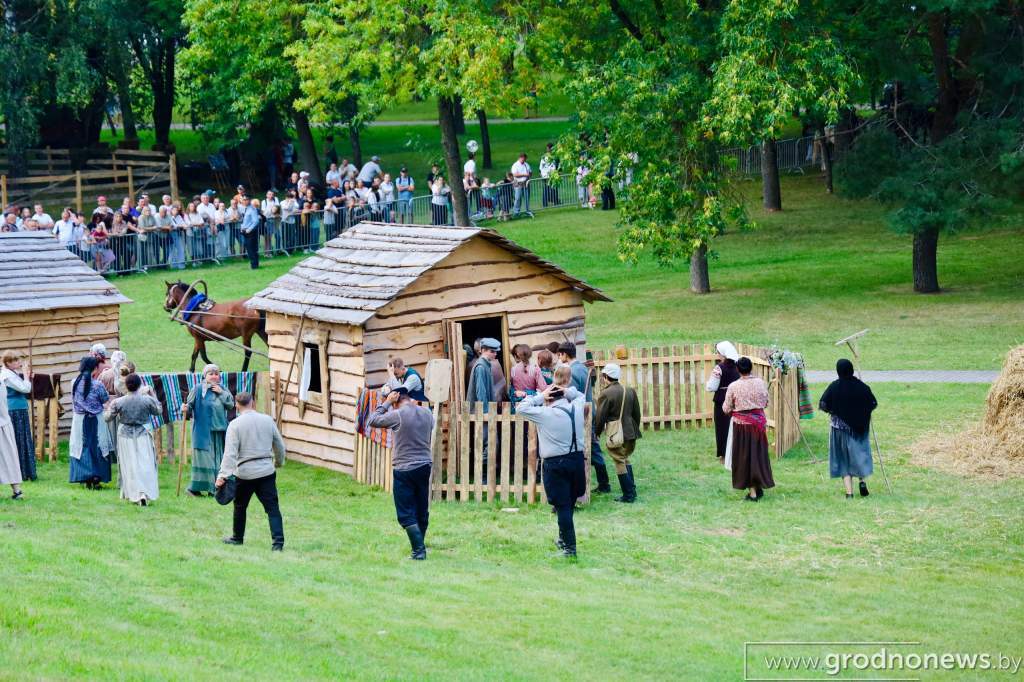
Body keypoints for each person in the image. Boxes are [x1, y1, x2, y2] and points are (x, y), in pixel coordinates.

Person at [517, 383, 586, 558]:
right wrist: (566, 390)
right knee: (568, 503)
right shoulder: (577, 407)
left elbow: (521, 407)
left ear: (549, 399)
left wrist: (540, 396)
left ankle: (570, 548)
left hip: (555, 464)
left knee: (562, 506)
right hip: (577, 460)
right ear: (563, 396)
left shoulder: (545, 414)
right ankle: (564, 539)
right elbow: (579, 395)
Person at [366, 386, 435, 559]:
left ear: (396, 400)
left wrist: (387, 402)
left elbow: (373, 420)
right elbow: (431, 428)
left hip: (404, 468)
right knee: (421, 509)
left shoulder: (398, 414)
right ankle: (419, 544)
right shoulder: (427, 413)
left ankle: (419, 551)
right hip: (425, 465)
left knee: (405, 513)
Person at [216, 392, 286, 551]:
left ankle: (237, 538)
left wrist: (223, 476)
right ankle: (278, 543)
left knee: (240, 506)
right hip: (266, 472)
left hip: (245, 473)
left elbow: (230, 454)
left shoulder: (235, 425)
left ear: (237, 405)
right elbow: (279, 445)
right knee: (272, 508)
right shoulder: (267, 420)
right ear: (253, 403)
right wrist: (278, 462)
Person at [819, 359, 878, 499]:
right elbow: (872, 403)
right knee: (859, 454)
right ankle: (862, 481)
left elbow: (823, 404)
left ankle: (849, 493)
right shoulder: (862, 386)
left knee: (843, 459)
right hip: (860, 430)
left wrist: (835, 410)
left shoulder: (834, 386)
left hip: (839, 429)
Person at [558, 343, 611, 493]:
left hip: (582, 413)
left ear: (564, 354)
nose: (559, 357)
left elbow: (571, 394)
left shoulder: (572, 371)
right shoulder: (582, 367)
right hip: (589, 410)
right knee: (592, 447)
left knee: (592, 448)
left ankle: (604, 484)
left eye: (560, 354)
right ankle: (603, 482)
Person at [104, 374, 162, 506]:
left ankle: (134, 493)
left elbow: (107, 418)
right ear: (139, 385)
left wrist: (108, 408)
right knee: (145, 464)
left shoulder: (118, 402)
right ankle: (143, 493)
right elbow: (158, 410)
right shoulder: (147, 400)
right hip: (143, 434)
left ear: (126, 386)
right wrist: (153, 394)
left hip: (125, 436)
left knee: (129, 465)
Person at [722, 356, 774, 502]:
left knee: (745, 458)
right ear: (751, 368)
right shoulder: (760, 383)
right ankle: (758, 487)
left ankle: (753, 494)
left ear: (738, 369)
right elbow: (766, 402)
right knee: (757, 455)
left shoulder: (734, 386)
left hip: (742, 427)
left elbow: (726, 408)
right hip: (758, 425)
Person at [181, 364, 234, 498]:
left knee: (219, 460)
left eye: (216, 373)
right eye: (211, 373)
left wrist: (221, 393)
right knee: (206, 460)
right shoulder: (198, 389)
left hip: (220, 430)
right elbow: (190, 407)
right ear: (205, 376)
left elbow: (231, 405)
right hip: (203, 432)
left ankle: (216, 487)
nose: (214, 376)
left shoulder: (223, 389)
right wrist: (186, 409)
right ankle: (197, 489)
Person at [595, 363, 642, 503]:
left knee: (619, 460)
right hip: (630, 432)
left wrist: (597, 432)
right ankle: (631, 490)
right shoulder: (630, 390)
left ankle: (628, 495)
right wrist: (633, 429)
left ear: (605, 377)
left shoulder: (605, 394)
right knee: (625, 458)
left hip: (615, 434)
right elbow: (637, 414)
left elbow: (600, 417)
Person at [69, 356, 111, 489]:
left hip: (80, 420)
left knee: (82, 446)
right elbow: (105, 400)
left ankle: (85, 477)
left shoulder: (74, 382)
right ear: (94, 368)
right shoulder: (97, 384)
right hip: (96, 420)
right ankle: (96, 478)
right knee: (97, 446)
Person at [1, 351, 35, 483]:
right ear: (8, 363)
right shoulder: (6, 376)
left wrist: (26, 376)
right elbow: (25, 389)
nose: (18, 363)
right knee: (18, 440)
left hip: (19, 409)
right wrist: (26, 377)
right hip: (14, 411)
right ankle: (19, 472)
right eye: (15, 361)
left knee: (23, 439)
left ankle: (25, 471)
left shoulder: (11, 373)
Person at [706, 341, 741, 462]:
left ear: (723, 354)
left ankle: (724, 455)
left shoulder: (719, 368)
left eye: (719, 353)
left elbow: (711, 387)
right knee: (736, 425)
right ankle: (736, 452)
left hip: (722, 400)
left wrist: (708, 385)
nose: (718, 355)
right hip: (736, 400)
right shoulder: (739, 366)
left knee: (722, 427)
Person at [0, 353, 27, 499]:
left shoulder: (2, 383)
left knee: (9, 457)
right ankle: (17, 491)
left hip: (3, 424)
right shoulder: (3, 381)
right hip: (4, 423)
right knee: (9, 457)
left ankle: (17, 491)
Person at [241, 198, 261, 269]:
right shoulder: (246, 209)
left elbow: (256, 221)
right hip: (245, 231)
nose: (244, 201)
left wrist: (249, 229)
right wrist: (242, 227)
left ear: (249, 200)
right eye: (243, 200)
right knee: (249, 249)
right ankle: (254, 264)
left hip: (250, 232)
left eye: (246, 200)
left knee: (251, 249)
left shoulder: (252, 209)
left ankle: (254, 265)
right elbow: (245, 221)